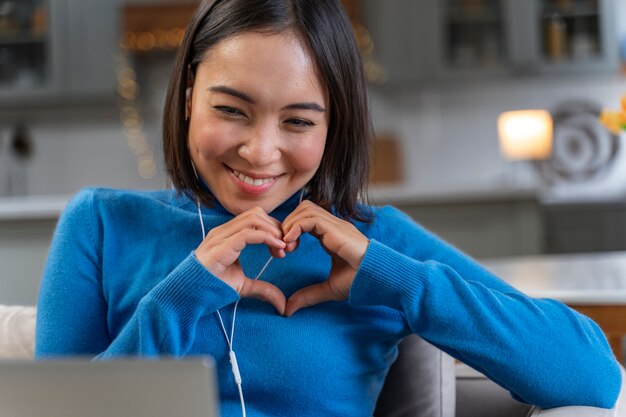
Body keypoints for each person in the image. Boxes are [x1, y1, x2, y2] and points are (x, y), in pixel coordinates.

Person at [35, 0, 621, 415]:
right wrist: (182, 293)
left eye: (298, 121)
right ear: (189, 97)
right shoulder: (102, 225)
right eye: (232, 110)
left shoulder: (374, 244)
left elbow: (592, 376)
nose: (260, 151)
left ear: (332, 126)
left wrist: (396, 281)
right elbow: (51, 413)